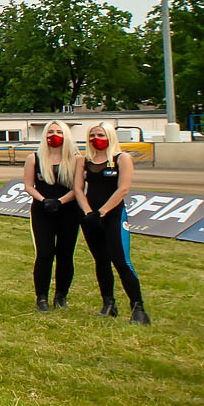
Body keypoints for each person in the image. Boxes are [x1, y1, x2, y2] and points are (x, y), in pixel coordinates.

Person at [76, 121, 151, 324]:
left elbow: (123, 189)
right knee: (101, 261)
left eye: (100, 135)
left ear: (109, 137)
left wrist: (103, 212)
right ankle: (108, 303)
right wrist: (88, 212)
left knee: (121, 261)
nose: (95, 139)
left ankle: (138, 308)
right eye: (92, 136)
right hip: (90, 217)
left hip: (113, 216)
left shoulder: (122, 158)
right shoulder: (83, 161)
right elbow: (78, 188)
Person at [24, 120, 82, 310]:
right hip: (42, 210)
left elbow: (79, 188)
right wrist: (43, 201)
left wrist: (60, 201)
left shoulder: (76, 158)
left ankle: (61, 296)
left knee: (65, 254)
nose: (54, 135)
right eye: (50, 132)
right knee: (44, 253)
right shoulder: (34, 158)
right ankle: (41, 297)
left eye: (58, 131)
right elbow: (28, 186)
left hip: (69, 211)